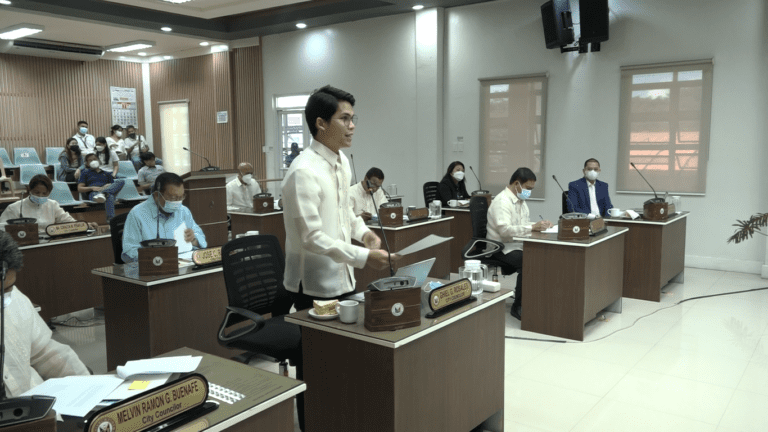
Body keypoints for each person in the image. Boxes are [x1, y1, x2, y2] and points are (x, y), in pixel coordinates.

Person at [282, 85, 396, 432]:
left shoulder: (342, 162)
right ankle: (313, 423)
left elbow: (346, 210)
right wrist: (363, 256)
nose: (352, 126)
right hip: (313, 284)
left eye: (352, 118)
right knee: (316, 368)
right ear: (320, 123)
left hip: (342, 277)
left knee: (345, 359)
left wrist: (364, 234)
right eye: (344, 119)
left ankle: (343, 417)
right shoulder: (303, 171)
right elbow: (311, 237)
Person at [0, 231, 90, 397]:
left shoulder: (15, 299)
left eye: (7, 288)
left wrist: (88, 385)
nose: (6, 297)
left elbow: (44, 354)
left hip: (34, 408)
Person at [486, 167, 553, 321]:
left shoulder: (520, 201)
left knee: (542, 257)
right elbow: (505, 231)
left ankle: (532, 300)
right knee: (529, 262)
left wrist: (539, 224)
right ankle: (518, 306)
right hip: (500, 247)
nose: (529, 192)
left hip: (515, 245)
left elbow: (521, 224)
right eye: (528, 188)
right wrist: (532, 227)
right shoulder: (502, 202)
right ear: (517, 184)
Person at [121, 172, 206, 263]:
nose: (178, 202)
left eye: (181, 197)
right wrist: (157, 257)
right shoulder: (137, 214)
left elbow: (202, 241)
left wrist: (193, 239)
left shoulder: (183, 211)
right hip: (152, 268)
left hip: (184, 265)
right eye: (173, 198)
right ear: (157, 195)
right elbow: (129, 252)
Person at [0, 174, 97, 231]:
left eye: (44, 193)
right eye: (36, 192)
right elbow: (2, 228)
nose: (40, 196)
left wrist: (85, 225)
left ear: (49, 193)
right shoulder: (14, 208)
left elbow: (68, 221)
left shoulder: (52, 204)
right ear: (30, 190)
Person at [77, 153, 125, 222]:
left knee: (121, 181)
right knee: (109, 196)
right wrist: (92, 188)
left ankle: (104, 193)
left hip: (106, 190)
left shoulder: (107, 173)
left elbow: (113, 186)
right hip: (94, 194)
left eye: (94, 159)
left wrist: (108, 186)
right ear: (87, 163)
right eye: (90, 160)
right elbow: (80, 188)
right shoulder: (85, 172)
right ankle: (111, 221)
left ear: (99, 161)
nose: (93, 161)